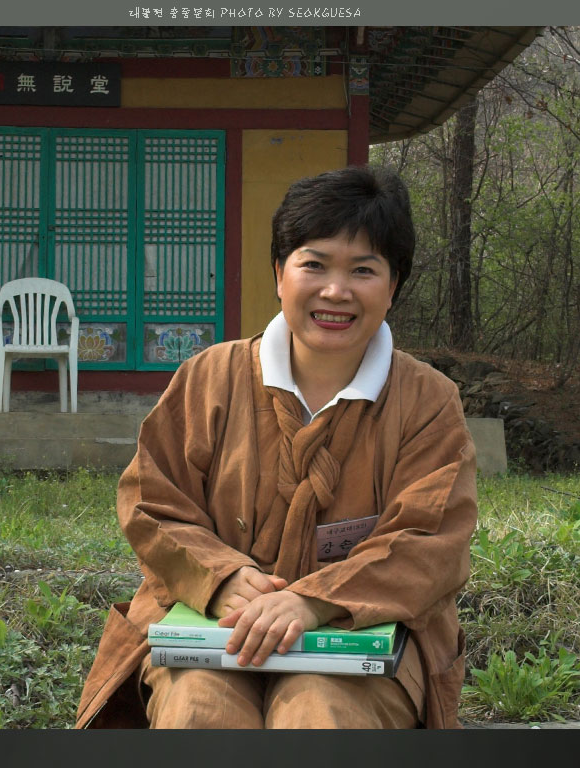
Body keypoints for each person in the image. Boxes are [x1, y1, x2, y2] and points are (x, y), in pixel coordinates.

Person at [74, 165, 477, 729]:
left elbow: (429, 541)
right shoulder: (209, 377)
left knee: (321, 712)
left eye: (364, 270)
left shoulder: (428, 401)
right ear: (279, 272)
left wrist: (313, 601)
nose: (336, 291)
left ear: (394, 284)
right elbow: (152, 502)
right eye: (314, 264)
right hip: (214, 626)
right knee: (198, 711)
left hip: (360, 641)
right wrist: (222, 579)